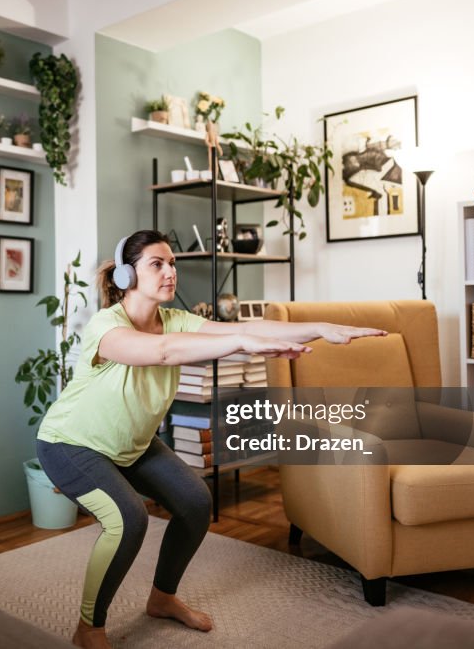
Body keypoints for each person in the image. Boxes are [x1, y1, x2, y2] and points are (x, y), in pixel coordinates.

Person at [35, 230, 386, 649]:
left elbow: (243, 326)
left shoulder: (175, 320)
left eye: (173, 264)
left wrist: (321, 328)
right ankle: (88, 627)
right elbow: (164, 351)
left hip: (132, 445)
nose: (170, 272)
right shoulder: (106, 326)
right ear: (128, 275)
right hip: (72, 444)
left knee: (196, 502)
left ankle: (162, 598)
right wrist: (237, 343)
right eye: (157, 264)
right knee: (129, 519)